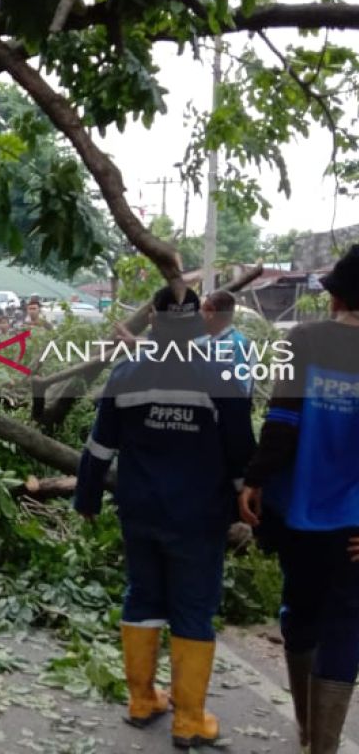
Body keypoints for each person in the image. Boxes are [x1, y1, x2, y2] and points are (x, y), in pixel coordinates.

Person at [74, 286, 255, 748]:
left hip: (140, 511)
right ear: (197, 325)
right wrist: (250, 505)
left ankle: (141, 701)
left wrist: (88, 498)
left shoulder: (127, 374)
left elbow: (98, 447)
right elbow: (241, 456)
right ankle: (189, 719)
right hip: (197, 518)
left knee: (143, 598)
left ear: (153, 322)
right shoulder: (222, 377)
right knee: (193, 609)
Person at [239, 244, 359, 754]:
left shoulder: (303, 340)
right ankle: (323, 747)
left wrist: (254, 480)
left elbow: (282, 423)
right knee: (347, 622)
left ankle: (308, 728)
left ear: (335, 298)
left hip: (300, 514)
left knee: (300, 611)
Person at [198, 290, 254, 396]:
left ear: (210, 313)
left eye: (200, 311)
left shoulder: (239, 346)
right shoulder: (200, 342)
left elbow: (241, 390)